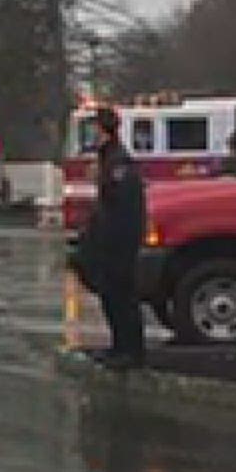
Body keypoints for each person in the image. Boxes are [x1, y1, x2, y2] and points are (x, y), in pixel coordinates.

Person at [71, 106, 148, 370]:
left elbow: (120, 204)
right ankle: (119, 347)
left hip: (119, 242)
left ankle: (130, 351)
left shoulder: (118, 161)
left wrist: (112, 241)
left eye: (94, 128)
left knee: (121, 296)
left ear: (102, 129)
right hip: (109, 240)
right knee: (111, 295)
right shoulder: (108, 158)